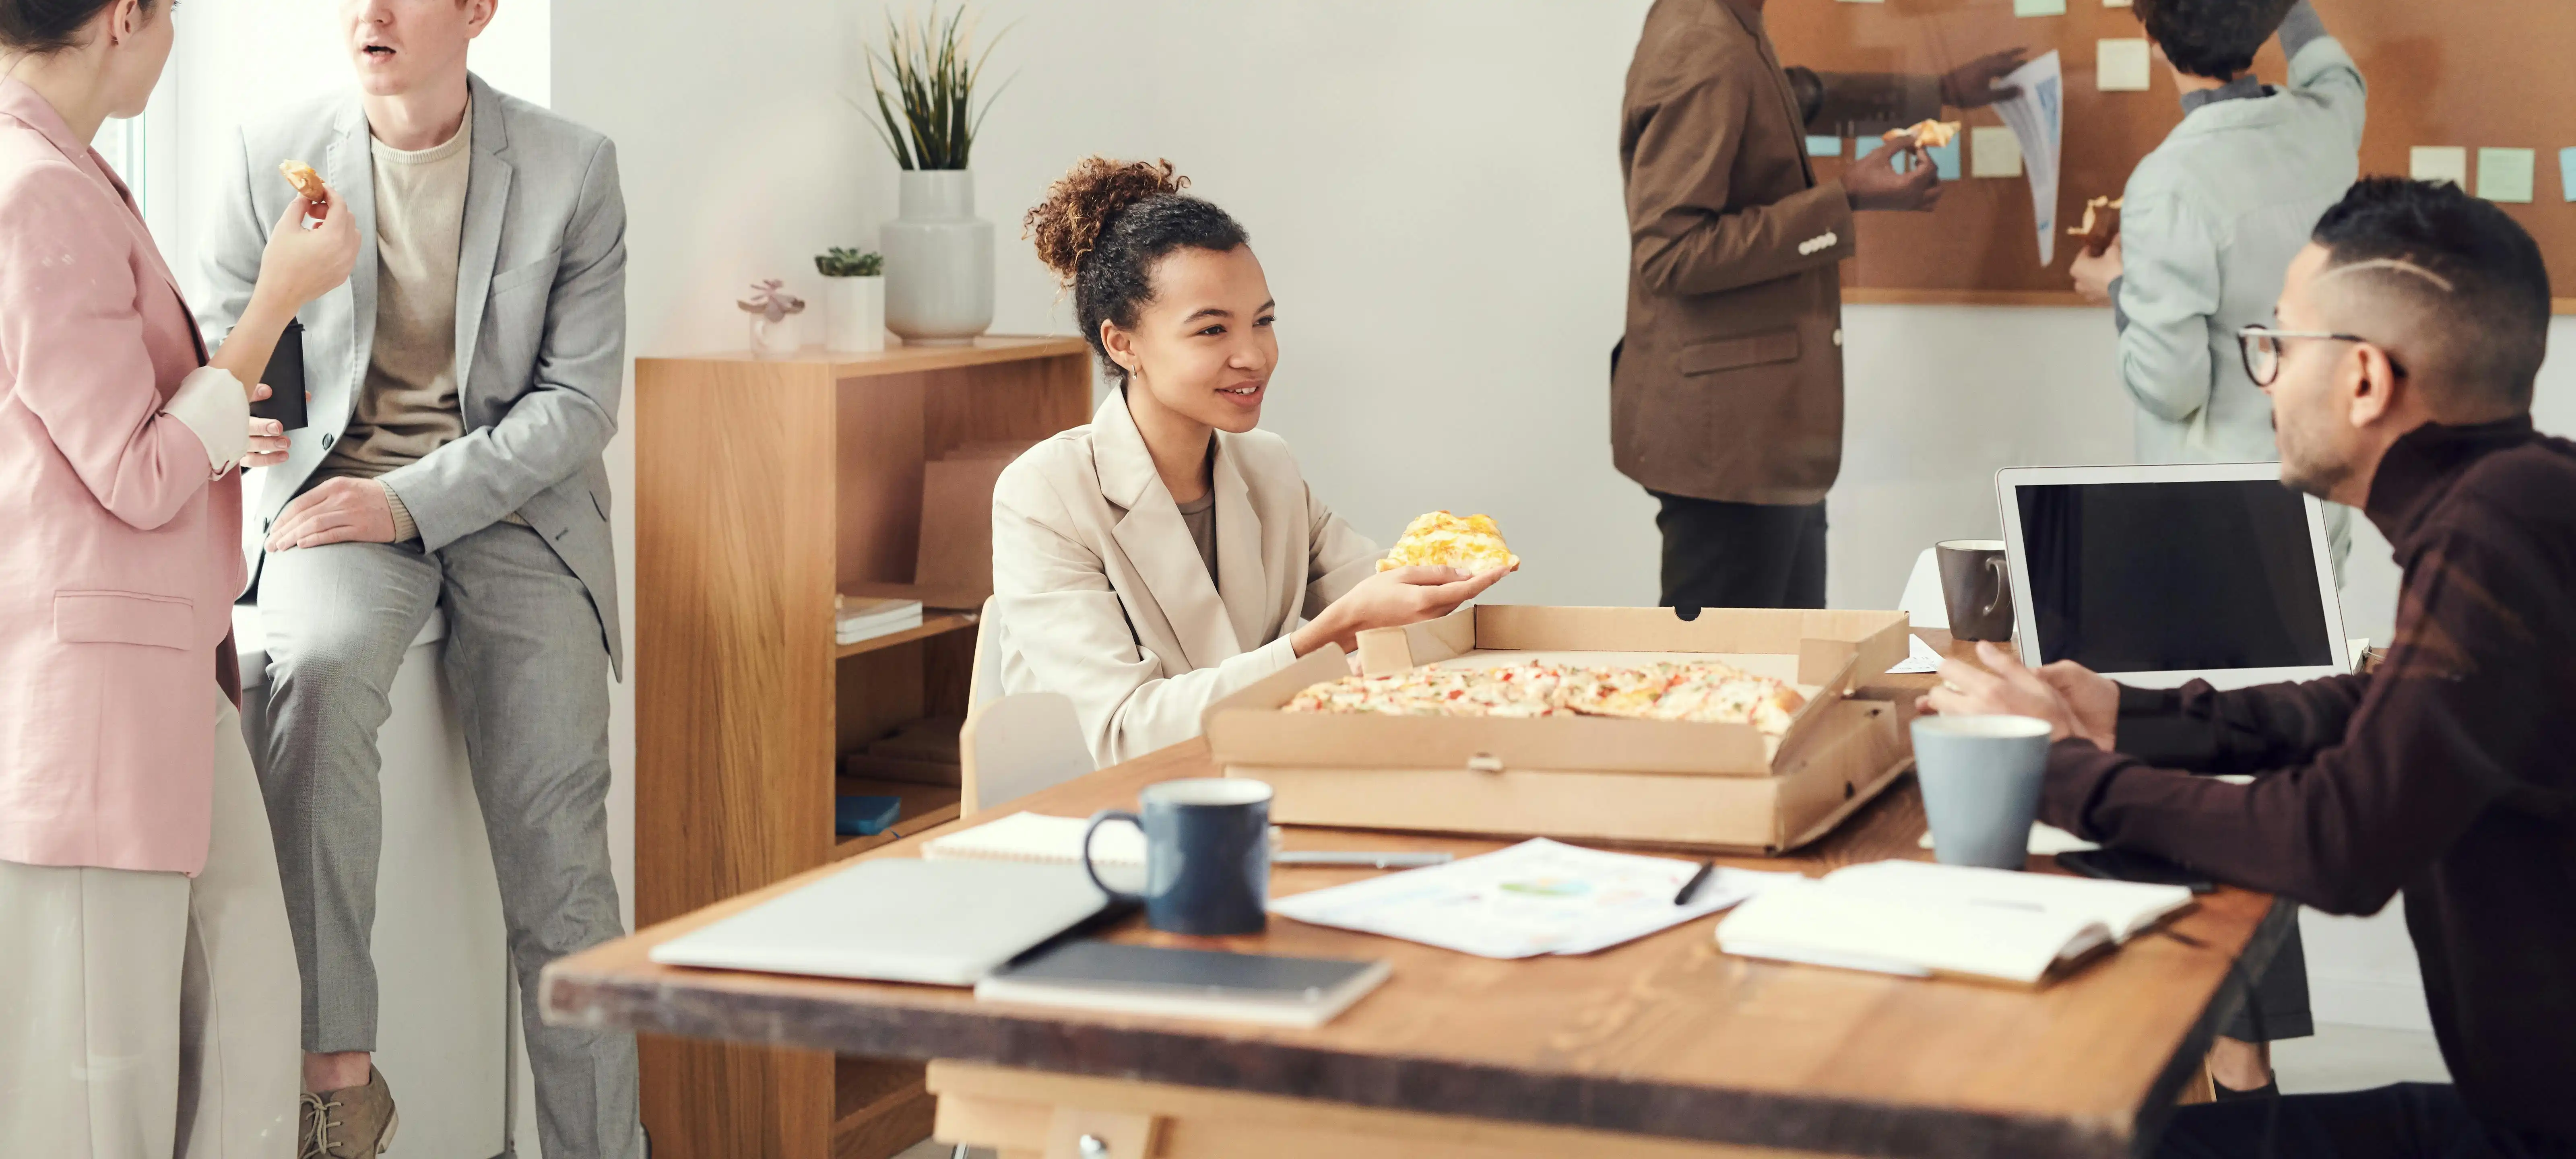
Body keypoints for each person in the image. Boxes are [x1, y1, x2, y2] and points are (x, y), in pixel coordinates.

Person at [1931, 178, 2576, 1159]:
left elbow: (2340, 840)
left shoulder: (2492, 530)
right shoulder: (2528, 495)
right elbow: (2383, 704)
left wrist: (2058, 770)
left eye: (2274, 346)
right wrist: (2129, 716)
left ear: (2362, 378)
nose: (2261, 380)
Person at [193, 0, 636, 1154]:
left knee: (562, 864)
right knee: (313, 668)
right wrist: (241, 412)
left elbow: (578, 407)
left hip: (515, 511)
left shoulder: (571, 166)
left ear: (480, 10)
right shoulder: (267, 153)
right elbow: (217, 336)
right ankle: (337, 1084)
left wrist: (411, 498)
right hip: (335, 496)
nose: (368, 13)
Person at [0, 0, 360, 1151]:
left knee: (247, 1016)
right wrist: (273, 304)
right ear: (126, 17)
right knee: (105, 1097)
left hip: (162, 675)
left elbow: (114, 436)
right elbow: (136, 471)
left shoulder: (71, 172)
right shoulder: (34, 191)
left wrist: (216, 413)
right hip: (94, 703)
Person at [995, 157, 1511, 766]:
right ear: (1122, 344)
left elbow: (1382, 590)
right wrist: (1325, 639)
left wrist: (1449, 568)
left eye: (1263, 322)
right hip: (1107, 816)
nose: (1253, 355)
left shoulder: (1269, 467)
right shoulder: (1046, 494)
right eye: (1212, 331)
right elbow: (1124, 733)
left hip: (1260, 780)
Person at [1616, 0, 2026, 610]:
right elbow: (1671, 255)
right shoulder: (1703, 43)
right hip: (1731, 448)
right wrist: (1844, 202)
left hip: (1763, 435)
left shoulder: (1728, 21)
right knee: (1727, 683)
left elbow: (1784, 95)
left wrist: (1935, 91)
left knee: (1792, 669)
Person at [2070, 0, 2363, 571]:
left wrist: (2117, 287)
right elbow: (2334, 71)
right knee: (2317, 660)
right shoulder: (2329, 123)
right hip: (2318, 493)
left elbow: (2171, 386)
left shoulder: (2170, 182)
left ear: (2152, 35)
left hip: (2218, 514)